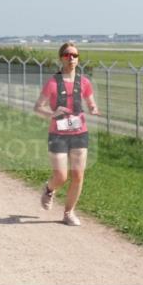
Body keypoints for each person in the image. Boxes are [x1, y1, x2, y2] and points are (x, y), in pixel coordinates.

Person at [33, 42, 100, 227]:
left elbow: (90, 101)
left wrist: (93, 108)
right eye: (67, 55)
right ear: (61, 58)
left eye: (74, 55)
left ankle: (68, 213)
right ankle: (49, 189)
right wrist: (52, 114)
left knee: (78, 175)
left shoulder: (84, 82)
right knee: (61, 176)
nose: (71, 58)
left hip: (79, 133)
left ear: (78, 59)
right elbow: (38, 107)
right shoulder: (53, 83)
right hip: (58, 134)